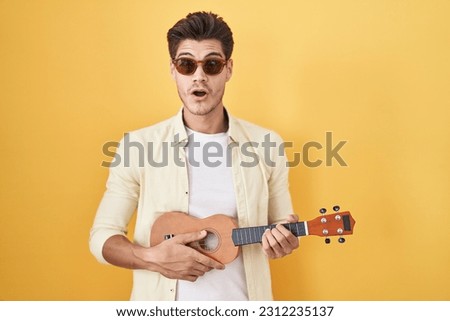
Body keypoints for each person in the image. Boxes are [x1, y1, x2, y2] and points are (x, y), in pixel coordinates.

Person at [89, 11, 299, 301]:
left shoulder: (267, 144)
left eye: (211, 64)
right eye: (187, 64)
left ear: (228, 69)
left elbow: (281, 227)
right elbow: (102, 236)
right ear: (173, 70)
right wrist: (151, 258)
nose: (199, 76)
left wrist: (283, 242)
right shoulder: (137, 145)